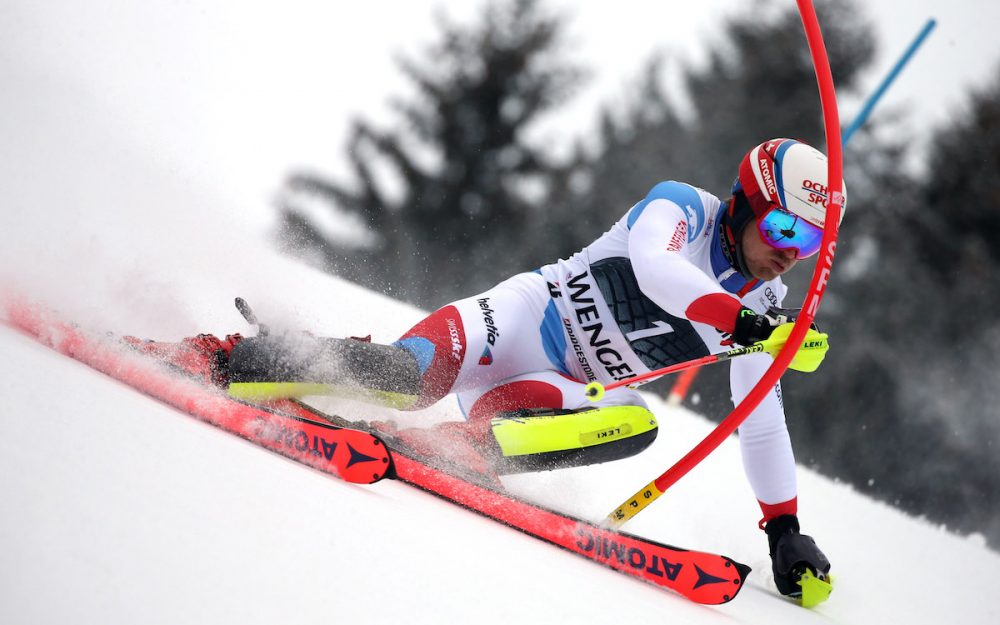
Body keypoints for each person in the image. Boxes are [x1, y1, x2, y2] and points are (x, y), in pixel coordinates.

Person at [169, 137, 838, 598]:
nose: (789, 254)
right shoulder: (682, 210)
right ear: (745, 203)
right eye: (783, 229)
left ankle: (458, 447)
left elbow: (760, 424)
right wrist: (744, 322)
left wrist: (785, 529)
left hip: (548, 388)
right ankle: (237, 358)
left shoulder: (763, 316)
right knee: (405, 376)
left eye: (806, 243)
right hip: (515, 323)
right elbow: (656, 270)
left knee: (634, 422)